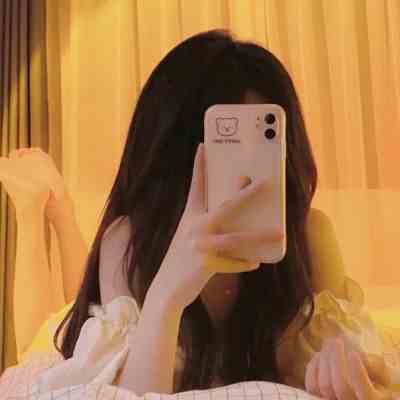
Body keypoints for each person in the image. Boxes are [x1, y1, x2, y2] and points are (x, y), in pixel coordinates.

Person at [0, 29, 399, 400]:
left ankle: (59, 214)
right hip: (117, 303)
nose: (243, 173)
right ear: (176, 154)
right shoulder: (130, 239)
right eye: (227, 148)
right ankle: (39, 213)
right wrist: (169, 291)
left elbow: (343, 367)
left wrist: (348, 378)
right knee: (48, 336)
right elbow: (130, 394)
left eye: (262, 146)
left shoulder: (309, 234)